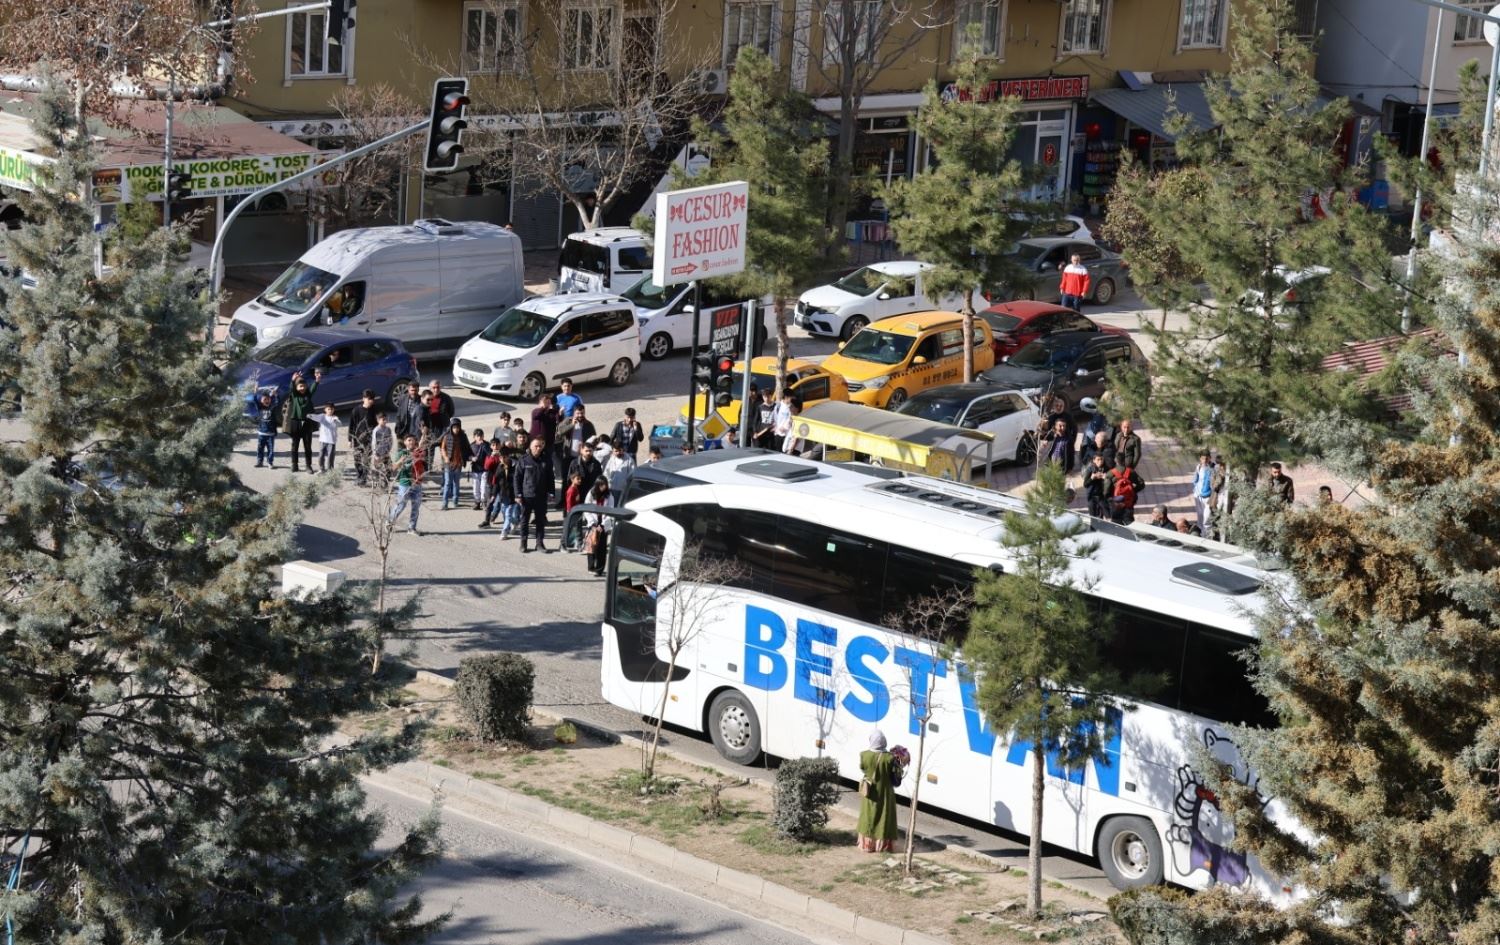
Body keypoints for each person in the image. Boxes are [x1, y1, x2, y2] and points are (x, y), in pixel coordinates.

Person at [856, 730, 900, 854]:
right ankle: (882, 846)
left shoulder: (864, 755)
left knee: (868, 816)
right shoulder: (890, 758)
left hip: (869, 791)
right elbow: (896, 778)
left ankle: (867, 845)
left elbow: (863, 768)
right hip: (885, 793)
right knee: (884, 817)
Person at [514, 436, 555, 553]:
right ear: (531, 447)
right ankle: (523, 543)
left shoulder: (546, 460)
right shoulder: (523, 460)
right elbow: (517, 478)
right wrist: (518, 494)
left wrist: (551, 493)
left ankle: (539, 543)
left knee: (540, 521)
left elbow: (550, 478)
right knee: (524, 521)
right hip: (526, 496)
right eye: (536, 446)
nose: (538, 448)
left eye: (540, 446)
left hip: (541, 496)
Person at [387, 435, 426, 535]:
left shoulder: (418, 452)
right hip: (405, 484)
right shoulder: (401, 453)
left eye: (413, 440)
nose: (411, 442)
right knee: (401, 505)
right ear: (405, 442)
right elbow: (393, 468)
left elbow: (422, 453)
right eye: (409, 440)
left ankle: (411, 528)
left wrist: (422, 437)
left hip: (417, 483)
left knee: (416, 507)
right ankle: (389, 522)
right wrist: (401, 461)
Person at [283, 372, 317, 473]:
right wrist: (293, 380)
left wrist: (317, 381)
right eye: (300, 386)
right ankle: (294, 464)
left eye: (304, 386)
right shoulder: (294, 396)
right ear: (296, 387)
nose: (302, 388)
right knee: (295, 445)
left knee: (308, 445)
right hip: (296, 422)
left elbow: (313, 389)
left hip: (307, 423)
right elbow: (291, 389)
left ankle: (308, 465)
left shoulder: (308, 395)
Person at [438, 419, 473, 510]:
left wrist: (471, 456)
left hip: (458, 464)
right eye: (454, 427)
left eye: (457, 427)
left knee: (456, 483)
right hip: (448, 464)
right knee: (447, 483)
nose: (456, 429)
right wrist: (445, 457)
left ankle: (455, 501)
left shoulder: (463, 436)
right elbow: (443, 448)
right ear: (451, 428)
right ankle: (445, 503)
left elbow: (467, 448)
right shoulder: (446, 436)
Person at [348, 389, 379, 486]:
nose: (371, 401)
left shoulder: (374, 410)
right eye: (369, 399)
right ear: (363, 399)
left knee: (366, 459)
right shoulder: (356, 410)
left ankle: (364, 478)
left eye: (372, 399)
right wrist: (350, 439)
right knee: (357, 459)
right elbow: (351, 425)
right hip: (358, 440)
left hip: (369, 440)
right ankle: (359, 475)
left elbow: (376, 425)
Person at [583, 479, 613, 576]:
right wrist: (593, 524)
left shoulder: (609, 496)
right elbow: (587, 509)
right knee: (591, 545)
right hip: (593, 523)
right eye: (601, 485)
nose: (604, 487)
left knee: (601, 548)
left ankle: (599, 569)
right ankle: (591, 567)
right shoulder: (591, 494)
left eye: (605, 485)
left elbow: (610, 511)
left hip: (604, 524)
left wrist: (603, 525)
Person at [557, 405, 597, 474]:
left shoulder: (588, 424)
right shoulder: (568, 421)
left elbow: (594, 438)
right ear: (574, 413)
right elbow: (560, 432)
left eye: (582, 413)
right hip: (568, 455)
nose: (580, 415)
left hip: (581, 457)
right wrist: (572, 425)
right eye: (578, 413)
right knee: (566, 475)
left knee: (580, 475)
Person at [565, 440, 603, 508]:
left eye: (590, 451)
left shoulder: (596, 464)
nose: (588, 453)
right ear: (581, 451)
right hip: (578, 494)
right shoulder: (574, 463)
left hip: (591, 494)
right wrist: (573, 491)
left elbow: (599, 479)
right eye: (586, 451)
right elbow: (569, 479)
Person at [604, 436, 635, 506]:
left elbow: (632, 475)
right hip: (611, 489)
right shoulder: (610, 459)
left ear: (623, 449)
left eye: (620, 450)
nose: (618, 453)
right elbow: (606, 473)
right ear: (613, 451)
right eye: (616, 451)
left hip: (623, 490)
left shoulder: (629, 460)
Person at [1190, 452, 1214, 535]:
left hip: (1208, 497)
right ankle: (1201, 533)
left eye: (1207, 458)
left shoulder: (1212, 468)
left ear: (1210, 458)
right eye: (1203, 458)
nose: (1205, 460)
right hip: (1198, 495)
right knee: (1200, 516)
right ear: (1200, 459)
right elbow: (1195, 479)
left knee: (1206, 518)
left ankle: (1207, 535)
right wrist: (1195, 489)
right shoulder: (1199, 467)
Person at [251, 391, 278, 468]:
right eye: (264, 399)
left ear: (270, 400)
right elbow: (255, 401)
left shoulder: (272, 407)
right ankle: (260, 462)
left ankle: (270, 462)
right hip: (261, 433)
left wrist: (275, 395)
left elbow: (277, 402)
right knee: (260, 449)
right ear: (261, 400)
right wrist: (255, 393)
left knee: (270, 450)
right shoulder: (260, 408)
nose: (266, 401)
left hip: (270, 434)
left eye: (268, 399)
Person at [1083, 453, 1113, 518]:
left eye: (1101, 459)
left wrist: (1106, 478)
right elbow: (1085, 484)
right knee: (1093, 516)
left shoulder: (1107, 469)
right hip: (1092, 496)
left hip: (1102, 496)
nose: (1100, 461)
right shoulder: (1090, 469)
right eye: (1098, 459)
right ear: (1094, 460)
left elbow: (1112, 484)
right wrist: (1092, 478)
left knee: (1107, 515)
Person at [315, 403, 341, 473]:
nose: (330, 411)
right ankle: (321, 469)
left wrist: (336, 421)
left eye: (331, 409)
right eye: (328, 409)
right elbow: (315, 417)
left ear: (334, 410)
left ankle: (330, 470)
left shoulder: (335, 418)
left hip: (331, 441)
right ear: (325, 409)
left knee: (330, 456)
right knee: (321, 455)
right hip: (322, 440)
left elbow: (339, 423)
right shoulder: (322, 417)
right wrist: (309, 415)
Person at [470, 428, 492, 510]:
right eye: (477, 436)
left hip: (485, 469)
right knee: (476, 487)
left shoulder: (487, 444)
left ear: (483, 436)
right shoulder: (472, 445)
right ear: (474, 437)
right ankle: (477, 502)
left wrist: (484, 446)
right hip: (475, 469)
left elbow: (490, 454)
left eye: (481, 436)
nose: (479, 438)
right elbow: (467, 455)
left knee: (484, 487)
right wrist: (471, 458)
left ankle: (484, 502)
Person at [370, 411, 394, 479]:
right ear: (378, 420)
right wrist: (375, 454)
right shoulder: (376, 430)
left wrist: (388, 449)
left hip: (386, 452)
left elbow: (390, 440)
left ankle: (387, 480)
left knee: (389, 467)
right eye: (383, 420)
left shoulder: (388, 429)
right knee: (378, 469)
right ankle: (378, 481)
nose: (385, 421)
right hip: (378, 453)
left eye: (386, 419)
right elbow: (374, 443)